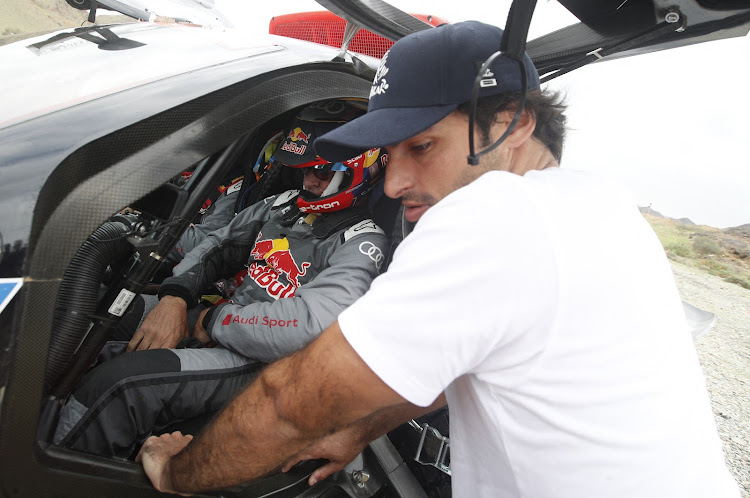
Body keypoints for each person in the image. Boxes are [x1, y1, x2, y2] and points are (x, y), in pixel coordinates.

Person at [137, 21, 740, 497]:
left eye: (422, 146)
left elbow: (289, 405)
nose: (395, 182)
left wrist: (177, 472)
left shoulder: (495, 215)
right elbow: (460, 367)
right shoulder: (599, 207)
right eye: (389, 153)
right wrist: (359, 427)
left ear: (514, 122)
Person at [53, 100, 389, 458]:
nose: (309, 180)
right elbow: (217, 245)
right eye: (305, 171)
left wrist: (214, 321)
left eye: (321, 172)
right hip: (219, 321)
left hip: (265, 364)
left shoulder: (363, 244)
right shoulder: (285, 204)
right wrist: (176, 297)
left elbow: (306, 326)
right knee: (98, 313)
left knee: (119, 387)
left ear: (357, 170)